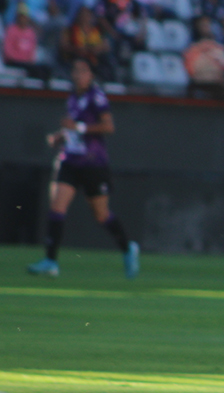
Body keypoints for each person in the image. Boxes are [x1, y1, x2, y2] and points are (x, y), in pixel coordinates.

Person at [28, 58, 140, 278]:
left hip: (93, 164)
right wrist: (60, 136)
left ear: (91, 75)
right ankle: (51, 261)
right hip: (71, 161)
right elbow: (73, 129)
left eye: (83, 71)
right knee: (57, 207)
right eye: (75, 70)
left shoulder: (96, 97)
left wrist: (77, 127)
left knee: (101, 215)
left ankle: (127, 248)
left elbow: (108, 126)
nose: (78, 75)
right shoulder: (72, 98)